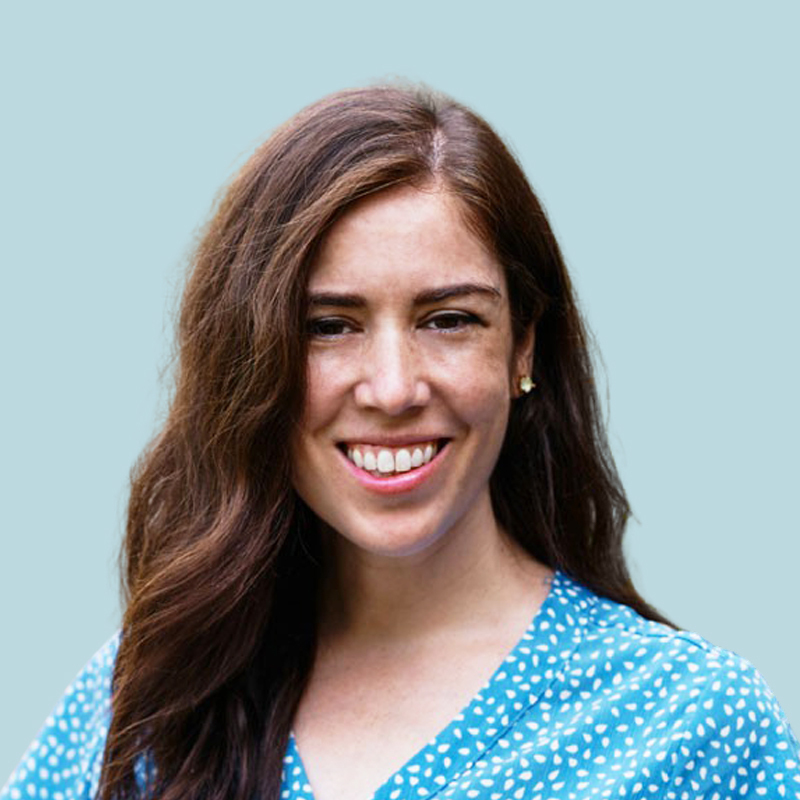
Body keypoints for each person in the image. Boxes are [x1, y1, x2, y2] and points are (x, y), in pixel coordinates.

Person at [3, 85, 799, 800]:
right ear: (250, 362)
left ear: (524, 346)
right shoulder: (147, 698)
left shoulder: (689, 722)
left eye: (449, 319)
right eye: (329, 327)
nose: (392, 389)